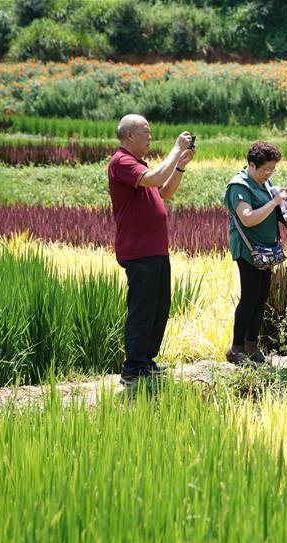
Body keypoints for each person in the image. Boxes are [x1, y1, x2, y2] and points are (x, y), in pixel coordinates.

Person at [108, 114, 194, 385]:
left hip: (155, 249)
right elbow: (155, 177)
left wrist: (179, 166)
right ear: (129, 136)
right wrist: (177, 147)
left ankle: (146, 360)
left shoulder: (137, 164)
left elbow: (164, 191)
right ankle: (133, 368)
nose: (150, 137)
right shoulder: (121, 161)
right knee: (142, 309)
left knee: (159, 307)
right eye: (146, 132)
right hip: (138, 249)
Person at [224, 141, 287, 365]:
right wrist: (275, 200)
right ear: (251, 165)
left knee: (261, 296)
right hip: (248, 248)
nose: (269, 173)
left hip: (266, 249)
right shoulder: (239, 186)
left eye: (272, 169)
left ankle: (251, 345)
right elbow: (247, 218)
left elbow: (275, 212)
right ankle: (236, 348)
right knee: (249, 296)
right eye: (265, 169)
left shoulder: (266, 185)